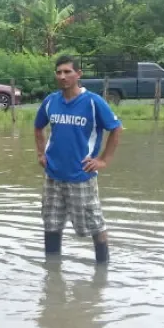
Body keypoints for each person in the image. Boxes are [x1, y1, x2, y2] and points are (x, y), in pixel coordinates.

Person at [34, 54, 122, 264]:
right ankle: (52, 272)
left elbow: (116, 129)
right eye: (59, 72)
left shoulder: (93, 102)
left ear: (78, 74)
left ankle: (102, 270)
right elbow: (38, 128)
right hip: (53, 176)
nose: (63, 76)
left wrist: (103, 160)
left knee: (93, 224)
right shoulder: (50, 101)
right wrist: (40, 154)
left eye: (67, 72)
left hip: (81, 175)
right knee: (51, 223)